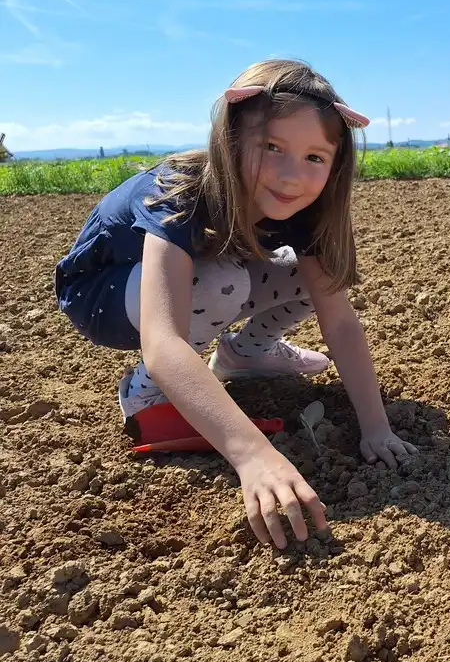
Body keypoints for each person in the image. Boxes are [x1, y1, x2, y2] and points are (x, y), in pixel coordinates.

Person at [55, 59, 418, 550]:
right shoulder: (180, 191)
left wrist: (376, 428)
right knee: (221, 281)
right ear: (230, 140)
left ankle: (245, 355)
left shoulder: (305, 210)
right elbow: (163, 342)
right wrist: (253, 454)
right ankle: (144, 394)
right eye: (272, 147)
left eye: (315, 157)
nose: (292, 175)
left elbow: (340, 321)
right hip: (105, 296)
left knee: (303, 271)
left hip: (197, 275)